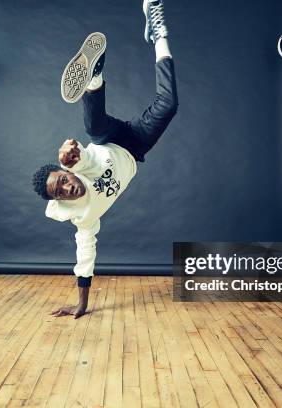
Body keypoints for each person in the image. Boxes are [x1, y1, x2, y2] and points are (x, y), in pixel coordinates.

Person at [32, 0, 178, 318]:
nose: (67, 187)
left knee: (92, 127)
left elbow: (83, 160)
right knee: (169, 104)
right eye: (60, 191)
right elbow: (85, 255)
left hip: (107, 140)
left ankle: (94, 77)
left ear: (64, 171)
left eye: (62, 179)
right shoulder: (82, 217)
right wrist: (82, 304)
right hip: (135, 146)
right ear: (60, 200)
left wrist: (71, 155)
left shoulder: (78, 167)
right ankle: (159, 33)